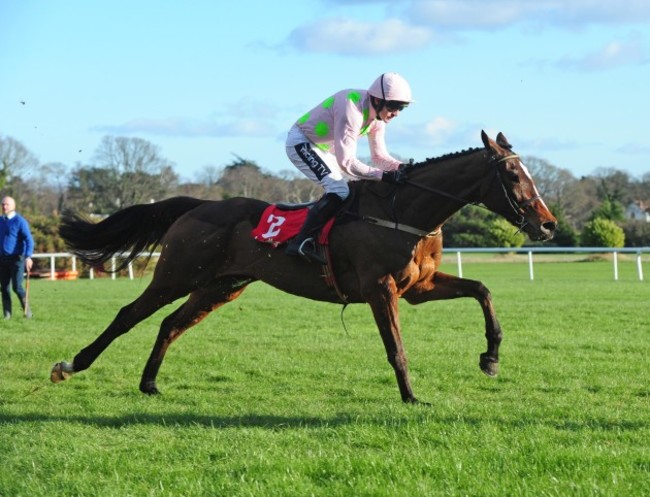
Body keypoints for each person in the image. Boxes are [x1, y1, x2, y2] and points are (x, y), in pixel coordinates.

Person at [285, 72, 413, 263]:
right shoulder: (351, 109)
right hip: (302, 142)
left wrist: (401, 167)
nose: (397, 113)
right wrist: (385, 177)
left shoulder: (377, 118)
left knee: (350, 190)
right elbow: (347, 162)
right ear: (377, 100)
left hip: (325, 150)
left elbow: (379, 157)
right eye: (394, 106)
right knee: (339, 189)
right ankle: (301, 242)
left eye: (402, 107)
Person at [0, 196, 34, 319]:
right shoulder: (1, 221)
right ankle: (7, 314)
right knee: (4, 288)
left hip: (17, 259)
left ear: (13, 206)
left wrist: (28, 256)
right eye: (3, 204)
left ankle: (27, 311)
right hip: (2, 259)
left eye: (7, 204)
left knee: (17, 287)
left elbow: (29, 240)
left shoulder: (20, 221)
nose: (4, 206)